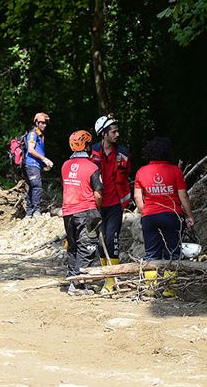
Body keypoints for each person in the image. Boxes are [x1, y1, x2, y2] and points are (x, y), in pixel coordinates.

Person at [134, 137, 195, 261]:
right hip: (171, 216)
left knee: (151, 255)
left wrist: (144, 211)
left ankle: (150, 280)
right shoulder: (175, 171)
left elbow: (137, 197)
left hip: (149, 217)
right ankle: (171, 280)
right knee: (173, 253)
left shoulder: (141, 172)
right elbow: (183, 196)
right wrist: (189, 216)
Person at [91, 114, 131, 291]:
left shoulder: (123, 153)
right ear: (103, 133)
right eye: (113, 132)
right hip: (97, 204)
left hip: (115, 203)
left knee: (111, 238)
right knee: (100, 241)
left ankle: (111, 280)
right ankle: (105, 275)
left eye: (117, 131)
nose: (117, 135)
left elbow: (126, 174)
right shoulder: (91, 153)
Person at [61, 130, 103, 296]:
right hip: (86, 211)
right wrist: (98, 210)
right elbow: (98, 193)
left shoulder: (65, 166)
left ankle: (72, 277)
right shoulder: (92, 167)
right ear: (86, 145)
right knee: (87, 247)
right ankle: (78, 285)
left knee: (73, 246)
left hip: (68, 212)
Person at [23, 112, 54, 218]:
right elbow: (31, 150)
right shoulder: (33, 134)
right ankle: (35, 211)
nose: (44, 125)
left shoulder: (40, 135)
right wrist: (44, 159)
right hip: (31, 164)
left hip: (35, 165)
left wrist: (43, 164)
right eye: (42, 123)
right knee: (36, 186)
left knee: (32, 187)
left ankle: (29, 213)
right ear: (36, 122)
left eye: (45, 123)